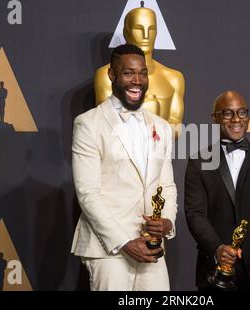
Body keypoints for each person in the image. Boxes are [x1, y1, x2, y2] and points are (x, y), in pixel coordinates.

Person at [71, 43, 177, 291]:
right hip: (109, 249)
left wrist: (167, 222)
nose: (137, 80)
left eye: (142, 73)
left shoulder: (161, 126)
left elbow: (167, 184)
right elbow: (88, 193)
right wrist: (124, 241)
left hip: (152, 247)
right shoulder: (88, 124)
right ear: (112, 75)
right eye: (128, 73)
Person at [184, 91, 250, 291]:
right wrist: (217, 249)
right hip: (214, 275)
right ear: (215, 118)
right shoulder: (199, 161)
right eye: (227, 113)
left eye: (241, 112)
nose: (236, 119)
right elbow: (195, 214)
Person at [94, 3, 185, 132]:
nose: (146, 35)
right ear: (126, 32)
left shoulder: (174, 78)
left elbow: (176, 125)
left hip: (160, 150)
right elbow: (107, 123)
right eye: (138, 28)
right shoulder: (105, 75)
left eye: (151, 29)